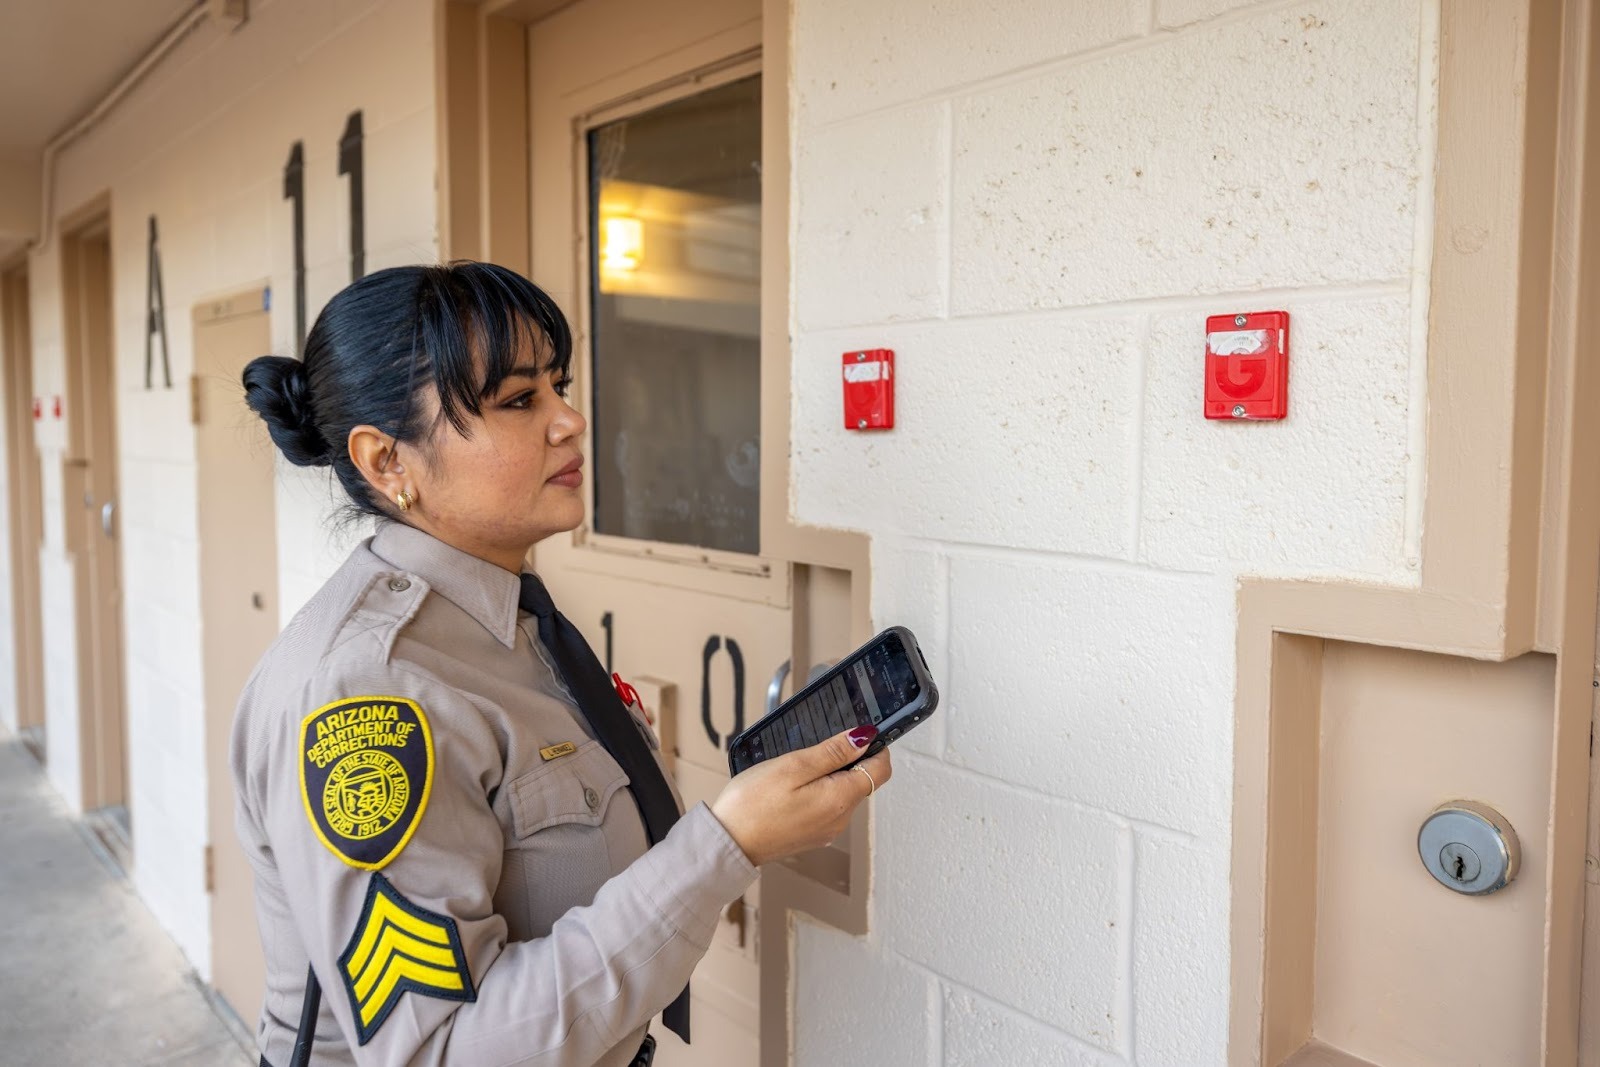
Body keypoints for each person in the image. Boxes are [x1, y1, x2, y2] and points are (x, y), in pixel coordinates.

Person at [232, 261, 892, 1067]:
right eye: (519, 400)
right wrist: (725, 845)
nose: (570, 419)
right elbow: (444, 1052)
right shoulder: (369, 688)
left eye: (558, 385)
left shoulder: (508, 616)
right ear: (387, 462)